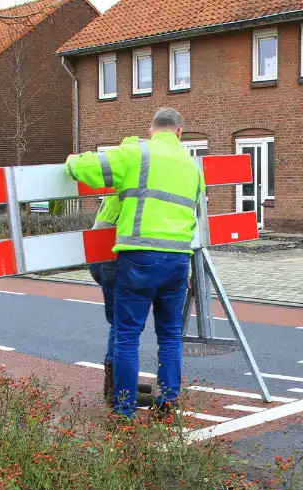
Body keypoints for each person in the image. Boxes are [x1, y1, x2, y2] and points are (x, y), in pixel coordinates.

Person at [65, 107, 203, 418]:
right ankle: (167, 402)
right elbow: (193, 217)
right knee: (169, 335)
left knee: (127, 334)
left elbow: (86, 167)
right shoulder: (192, 166)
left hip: (139, 256)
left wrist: (72, 161)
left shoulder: (137, 154)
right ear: (179, 133)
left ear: (151, 129)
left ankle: (125, 409)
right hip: (179, 260)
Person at [87, 188, 153, 406]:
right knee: (124, 324)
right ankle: (118, 389)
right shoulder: (135, 183)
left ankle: (120, 383)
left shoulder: (125, 177)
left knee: (122, 323)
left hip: (103, 253)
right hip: (112, 255)